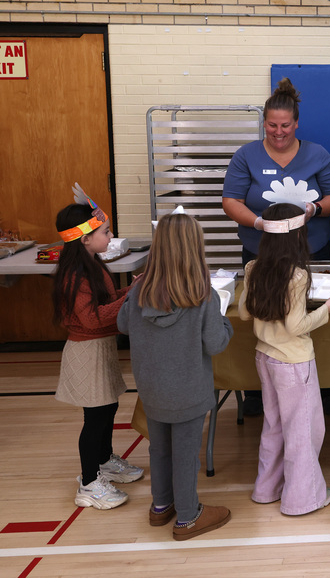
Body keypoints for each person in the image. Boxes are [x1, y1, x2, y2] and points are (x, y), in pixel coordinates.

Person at [222, 77, 330, 417]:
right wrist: (257, 222)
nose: (279, 132)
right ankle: (258, 393)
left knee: (312, 315)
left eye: (286, 126)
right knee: (262, 314)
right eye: (272, 126)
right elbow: (230, 200)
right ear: (264, 123)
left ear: (297, 123)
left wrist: (314, 209)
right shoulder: (246, 155)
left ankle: (329, 387)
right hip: (260, 251)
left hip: (311, 251)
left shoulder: (317, 154)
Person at [117, 212, 234, 540]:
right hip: (189, 392)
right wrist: (225, 322)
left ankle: (160, 506)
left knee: (159, 449)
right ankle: (188, 516)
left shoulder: (139, 291)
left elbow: (123, 326)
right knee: (185, 453)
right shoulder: (203, 295)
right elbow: (215, 343)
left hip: (152, 390)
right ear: (195, 247)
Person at [238, 203, 330, 516]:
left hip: (265, 358)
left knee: (274, 426)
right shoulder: (296, 276)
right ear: (298, 236)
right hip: (294, 363)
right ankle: (302, 499)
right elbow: (296, 326)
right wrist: (327, 309)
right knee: (303, 431)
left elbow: (244, 312)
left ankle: (266, 489)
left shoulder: (254, 267)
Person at [52, 187, 144, 511]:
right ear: (85, 239)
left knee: (107, 410)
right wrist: (131, 299)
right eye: (105, 232)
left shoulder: (92, 265)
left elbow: (103, 304)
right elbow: (92, 319)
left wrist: (130, 289)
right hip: (86, 353)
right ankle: (89, 483)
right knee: (95, 419)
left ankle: (104, 461)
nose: (111, 236)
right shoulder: (75, 275)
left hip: (100, 350)